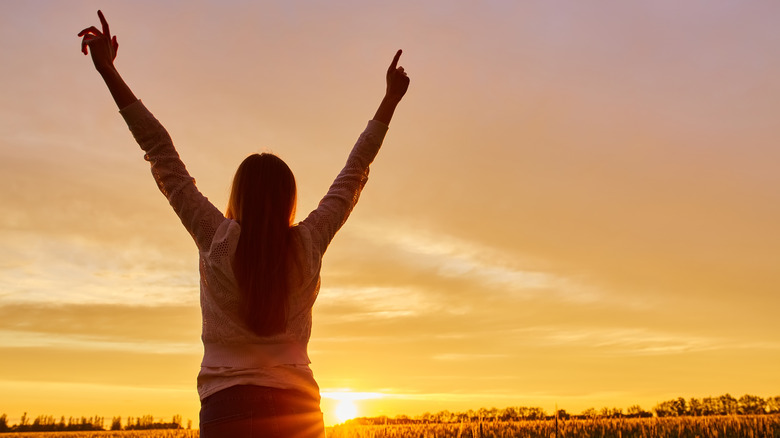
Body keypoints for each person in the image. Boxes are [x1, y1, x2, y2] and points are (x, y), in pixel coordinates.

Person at [79, 10, 409, 438]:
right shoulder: (308, 243)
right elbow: (354, 171)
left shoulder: (216, 239)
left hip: (227, 411)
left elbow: (160, 153)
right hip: (297, 411)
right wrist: (389, 101)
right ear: (289, 201)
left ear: (238, 197)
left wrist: (108, 71)